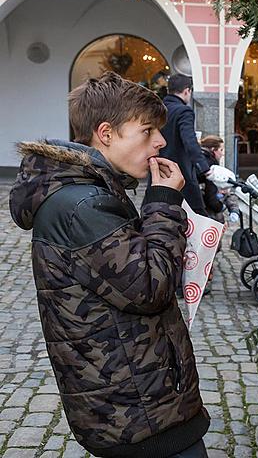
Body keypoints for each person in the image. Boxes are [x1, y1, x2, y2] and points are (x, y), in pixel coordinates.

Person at [8, 72, 209, 458]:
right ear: (106, 133)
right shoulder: (84, 206)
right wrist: (163, 202)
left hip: (134, 401)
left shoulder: (87, 193)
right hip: (135, 412)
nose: (161, 141)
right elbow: (151, 286)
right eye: (147, 130)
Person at [161, 74, 211, 216]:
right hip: (181, 171)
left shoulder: (159, 108)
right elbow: (189, 141)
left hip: (159, 170)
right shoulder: (183, 111)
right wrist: (204, 168)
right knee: (197, 214)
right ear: (186, 91)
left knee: (160, 211)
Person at [198, 135, 240, 224]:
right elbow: (211, 196)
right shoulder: (211, 166)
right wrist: (221, 207)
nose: (223, 153)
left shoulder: (199, 159)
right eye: (221, 150)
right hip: (206, 212)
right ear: (213, 150)